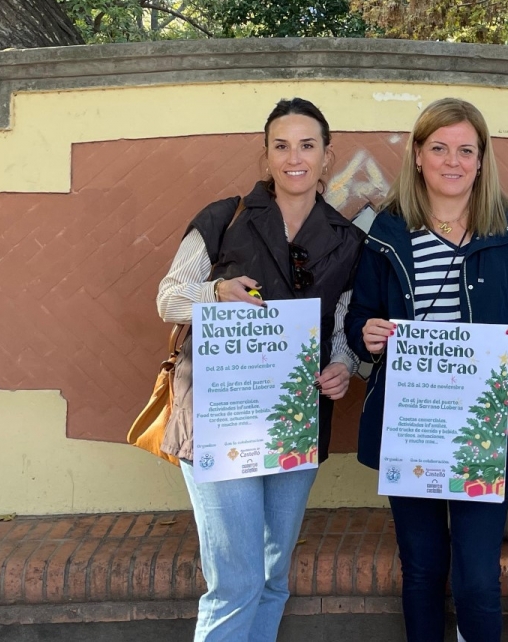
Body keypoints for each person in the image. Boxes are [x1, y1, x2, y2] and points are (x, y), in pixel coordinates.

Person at [155, 98, 365, 641]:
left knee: (273, 577)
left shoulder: (347, 239)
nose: (294, 157)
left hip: (295, 419)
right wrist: (214, 294)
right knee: (234, 581)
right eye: (281, 145)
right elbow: (168, 298)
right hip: (218, 418)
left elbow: (344, 327)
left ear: (327, 157)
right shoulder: (223, 219)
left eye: (307, 145)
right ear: (266, 155)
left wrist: (341, 367)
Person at [345, 97, 508, 642]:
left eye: (466, 149)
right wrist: (365, 336)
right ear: (418, 156)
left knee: (479, 576)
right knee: (421, 570)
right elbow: (361, 316)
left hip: (486, 428)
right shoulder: (388, 230)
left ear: (482, 160)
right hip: (412, 426)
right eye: (439, 148)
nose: (452, 161)